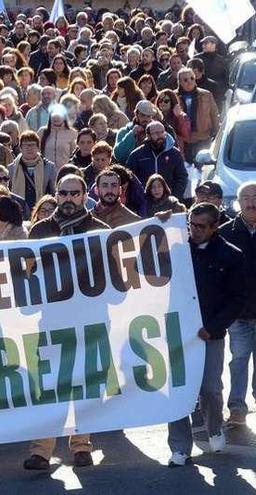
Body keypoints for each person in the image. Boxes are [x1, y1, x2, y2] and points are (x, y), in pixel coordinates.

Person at [25, 174, 108, 471]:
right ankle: (41, 451)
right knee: (49, 384)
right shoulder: (40, 230)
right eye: (63, 193)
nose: (69, 198)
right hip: (52, 321)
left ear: (85, 195)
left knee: (86, 384)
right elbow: (25, 272)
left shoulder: (100, 230)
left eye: (75, 193)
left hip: (90, 320)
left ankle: (82, 445)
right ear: (56, 195)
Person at [167, 203, 246, 467]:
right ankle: (180, 447)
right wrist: (161, 222)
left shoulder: (230, 256)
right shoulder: (177, 249)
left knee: (210, 389)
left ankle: (214, 428)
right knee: (178, 392)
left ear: (214, 227)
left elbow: (237, 300)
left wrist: (212, 328)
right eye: (191, 224)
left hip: (210, 334)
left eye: (201, 226)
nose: (195, 231)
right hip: (177, 332)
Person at [219, 182, 256, 426]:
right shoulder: (225, 232)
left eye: (255, 197)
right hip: (239, 314)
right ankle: (237, 408)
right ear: (238, 202)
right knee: (239, 360)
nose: (251, 202)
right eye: (246, 198)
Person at [125, 121, 188, 201]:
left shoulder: (174, 153)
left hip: (169, 201)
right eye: (156, 133)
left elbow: (182, 177)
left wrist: (174, 197)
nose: (160, 136)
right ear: (148, 136)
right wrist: (139, 197)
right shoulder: (137, 155)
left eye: (162, 132)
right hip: (145, 202)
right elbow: (129, 178)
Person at [177, 67, 219, 162]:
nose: (190, 81)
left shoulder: (206, 94)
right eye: (185, 79)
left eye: (192, 78)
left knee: (203, 168)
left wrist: (216, 132)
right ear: (179, 82)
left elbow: (214, 114)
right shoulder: (174, 96)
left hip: (203, 138)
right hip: (183, 140)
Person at [7, 131, 58, 210]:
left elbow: (54, 191)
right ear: (20, 148)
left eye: (32, 145)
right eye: (25, 145)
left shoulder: (49, 167)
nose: (29, 148)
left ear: (38, 147)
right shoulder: (12, 168)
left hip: (41, 211)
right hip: (18, 210)